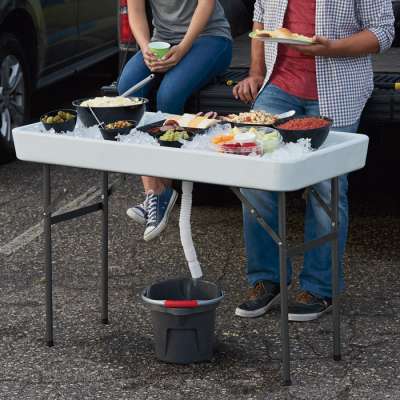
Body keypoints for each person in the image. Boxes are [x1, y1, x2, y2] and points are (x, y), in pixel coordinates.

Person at [233, 0, 394, 321]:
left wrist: (331, 48)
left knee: (326, 185)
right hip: (279, 87)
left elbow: (383, 32)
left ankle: (320, 288)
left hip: (336, 88)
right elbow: (260, 19)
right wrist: (255, 72)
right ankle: (267, 279)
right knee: (254, 176)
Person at [118, 0, 232, 242]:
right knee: (126, 91)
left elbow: (206, 4)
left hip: (209, 38)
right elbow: (135, 10)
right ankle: (154, 191)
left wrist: (182, 48)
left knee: (169, 95)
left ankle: (164, 187)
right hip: (163, 41)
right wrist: (146, 48)